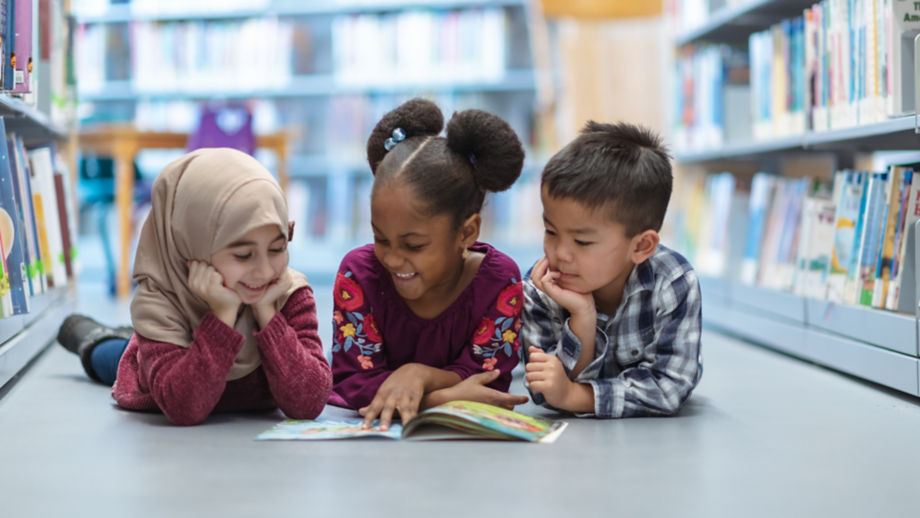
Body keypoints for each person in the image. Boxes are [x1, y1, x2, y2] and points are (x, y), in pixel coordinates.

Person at [56, 148, 332, 426]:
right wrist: (223, 316)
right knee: (112, 356)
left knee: (136, 342)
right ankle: (91, 336)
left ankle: (129, 336)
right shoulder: (161, 302)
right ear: (193, 244)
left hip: (198, 350)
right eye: (243, 255)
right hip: (157, 373)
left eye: (277, 248)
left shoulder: (288, 293)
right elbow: (184, 407)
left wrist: (267, 314)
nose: (264, 271)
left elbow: (309, 403)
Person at [329, 98, 529, 430]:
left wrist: (417, 374)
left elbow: (488, 384)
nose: (392, 258)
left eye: (414, 245)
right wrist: (440, 398)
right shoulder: (358, 274)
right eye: (381, 238)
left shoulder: (500, 281)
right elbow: (353, 382)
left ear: (466, 232)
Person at [521, 121, 702, 418]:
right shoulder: (540, 286)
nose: (560, 253)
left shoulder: (674, 281)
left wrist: (575, 396)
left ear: (642, 246)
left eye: (582, 241)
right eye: (550, 231)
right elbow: (544, 390)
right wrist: (582, 318)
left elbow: (670, 387)